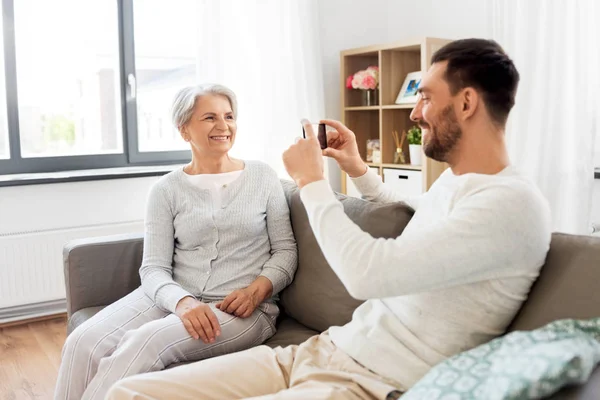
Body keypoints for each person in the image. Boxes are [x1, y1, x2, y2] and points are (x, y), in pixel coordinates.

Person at [106, 39, 551, 400]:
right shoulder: (459, 186)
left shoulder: (511, 205)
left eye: (426, 98)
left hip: (368, 382)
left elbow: (368, 274)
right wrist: (356, 166)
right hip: (321, 351)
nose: (415, 114)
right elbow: (412, 210)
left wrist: (311, 183)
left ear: (467, 102)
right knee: (128, 392)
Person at [54, 84, 298, 400]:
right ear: (184, 130)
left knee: (144, 342)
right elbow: (154, 269)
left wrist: (257, 291)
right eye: (209, 117)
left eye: (229, 116)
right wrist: (183, 303)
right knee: (82, 341)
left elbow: (285, 250)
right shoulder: (166, 190)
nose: (223, 126)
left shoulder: (263, 177)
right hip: (174, 297)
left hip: (242, 310)